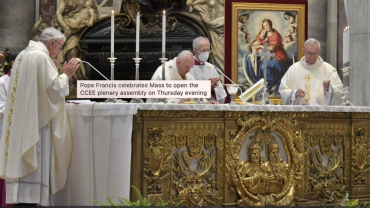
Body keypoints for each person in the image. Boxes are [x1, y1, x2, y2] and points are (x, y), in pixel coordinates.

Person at [0, 27, 79, 206]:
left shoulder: (22, 55)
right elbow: (53, 90)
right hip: (36, 126)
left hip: (21, 125)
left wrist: (52, 68)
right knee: (33, 177)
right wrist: (66, 75)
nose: (59, 52)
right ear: (52, 43)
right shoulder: (41, 57)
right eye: (60, 47)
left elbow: (37, 88)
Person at [279, 38, 343, 105]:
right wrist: (294, 93)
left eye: (315, 53)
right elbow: (283, 89)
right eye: (309, 53)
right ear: (303, 51)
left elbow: (339, 91)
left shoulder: (329, 70)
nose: (312, 57)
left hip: (321, 114)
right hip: (299, 113)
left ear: (319, 51)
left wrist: (330, 89)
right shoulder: (293, 69)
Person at [147, 50, 217, 104]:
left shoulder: (187, 74)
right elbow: (159, 99)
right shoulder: (163, 72)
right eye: (186, 67)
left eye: (190, 68)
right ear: (178, 62)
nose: (188, 71)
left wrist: (205, 103)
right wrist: (178, 101)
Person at [244, 19, 290, 92]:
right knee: (250, 60)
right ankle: (257, 81)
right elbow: (256, 43)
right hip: (264, 54)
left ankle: (270, 84)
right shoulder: (263, 33)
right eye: (264, 26)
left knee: (264, 66)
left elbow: (272, 48)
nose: (266, 27)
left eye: (267, 25)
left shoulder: (276, 35)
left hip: (276, 56)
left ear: (270, 24)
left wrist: (261, 46)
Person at [190, 37, 226, 103]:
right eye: (203, 51)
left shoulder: (211, 67)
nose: (206, 53)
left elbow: (222, 93)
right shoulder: (187, 67)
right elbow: (184, 90)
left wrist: (213, 89)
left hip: (210, 107)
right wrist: (205, 88)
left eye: (208, 50)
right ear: (195, 51)